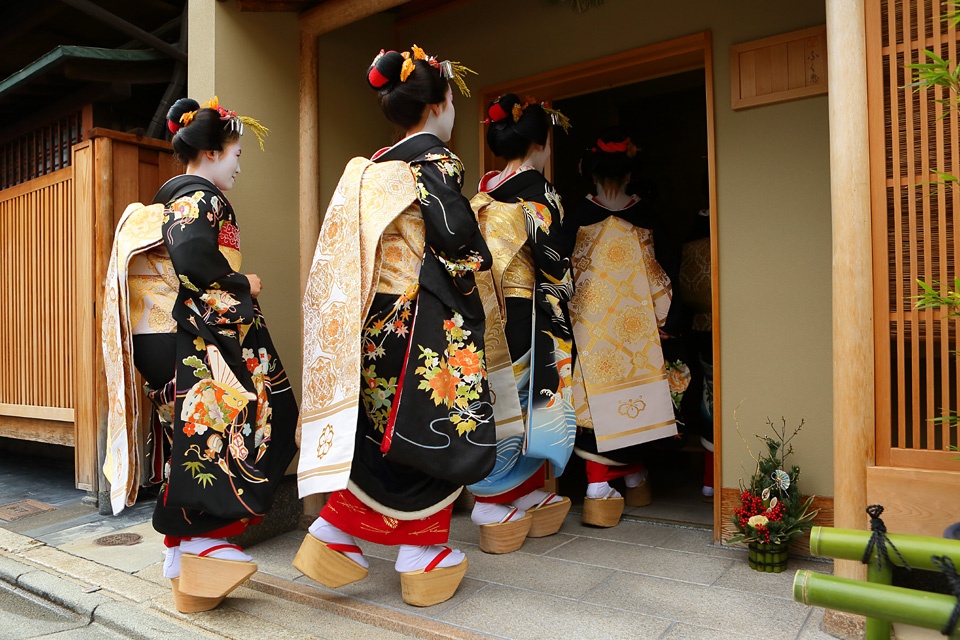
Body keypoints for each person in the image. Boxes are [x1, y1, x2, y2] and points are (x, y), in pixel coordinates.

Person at [296, 46, 493, 607]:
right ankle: (420, 553)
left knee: (382, 432)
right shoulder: (435, 163)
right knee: (437, 430)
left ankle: (333, 531)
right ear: (437, 106)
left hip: (372, 319)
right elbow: (457, 242)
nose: (453, 112)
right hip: (421, 317)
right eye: (452, 101)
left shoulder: (371, 169)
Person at [102, 97, 299, 611]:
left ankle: (182, 558)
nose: (239, 167)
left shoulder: (162, 204)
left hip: (159, 340)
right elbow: (192, 256)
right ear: (211, 152)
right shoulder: (200, 197)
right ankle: (204, 543)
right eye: (236, 154)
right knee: (259, 417)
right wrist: (243, 282)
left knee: (189, 442)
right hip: (184, 337)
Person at [465, 94, 576, 554]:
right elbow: (556, 259)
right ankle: (488, 499)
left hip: (487, 308)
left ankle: (518, 491)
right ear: (539, 143)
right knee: (526, 396)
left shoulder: (484, 191)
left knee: (501, 395)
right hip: (526, 307)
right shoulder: (541, 193)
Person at [566, 127, 688, 527]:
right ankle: (633, 478)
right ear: (630, 174)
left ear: (590, 173)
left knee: (596, 403)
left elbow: (560, 274)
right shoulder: (646, 218)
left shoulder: (575, 220)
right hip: (639, 331)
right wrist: (667, 320)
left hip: (591, 329)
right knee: (640, 399)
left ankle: (599, 486)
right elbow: (665, 271)